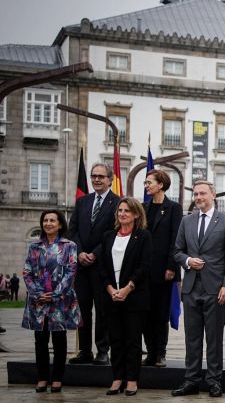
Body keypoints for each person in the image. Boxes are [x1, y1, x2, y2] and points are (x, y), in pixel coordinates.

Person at [171, 180, 225, 398]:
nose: (198, 197)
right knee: (191, 337)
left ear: (213, 195)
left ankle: (214, 380)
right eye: (196, 194)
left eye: (203, 193)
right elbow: (177, 251)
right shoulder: (187, 221)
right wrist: (188, 261)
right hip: (191, 288)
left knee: (214, 337)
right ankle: (191, 380)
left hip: (216, 288)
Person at [22, 209, 82, 393]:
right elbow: (27, 272)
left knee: (59, 339)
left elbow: (71, 271)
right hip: (38, 301)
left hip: (60, 300)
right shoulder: (34, 246)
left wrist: (55, 294)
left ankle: (57, 379)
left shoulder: (69, 245)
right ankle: (42, 378)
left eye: (52, 220)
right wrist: (38, 292)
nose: (48, 223)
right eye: (45, 220)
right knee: (40, 340)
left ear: (60, 224)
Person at [97, 197, 152, 396]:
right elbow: (102, 266)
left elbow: (144, 265)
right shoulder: (108, 236)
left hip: (134, 298)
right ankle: (117, 378)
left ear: (136, 214)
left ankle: (131, 380)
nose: (122, 214)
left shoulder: (143, 236)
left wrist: (128, 288)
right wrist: (110, 289)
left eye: (127, 211)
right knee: (116, 340)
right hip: (111, 297)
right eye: (120, 210)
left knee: (132, 341)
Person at [68, 163, 120, 365]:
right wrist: (80, 252)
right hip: (81, 266)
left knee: (103, 310)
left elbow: (115, 232)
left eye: (101, 176)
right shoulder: (83, 202)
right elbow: (73, 231)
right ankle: (84, 351)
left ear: (110, 179)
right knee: (82, 309)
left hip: (102, 266)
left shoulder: (117, 203)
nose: (96, 180)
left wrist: (95, 254)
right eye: (93, 176)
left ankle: (102, 350)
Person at [141, 169, 183, 368]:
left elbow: (176, 239)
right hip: (144, 271)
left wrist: (172, 267)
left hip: (164, 270)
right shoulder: (143, 207)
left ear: (161, 184)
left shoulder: (174, 208)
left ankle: (160, 353)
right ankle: (149, 352)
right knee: (145, 312)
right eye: (145, 182)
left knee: (161, 313)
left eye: (149, 182)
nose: (146, 185)